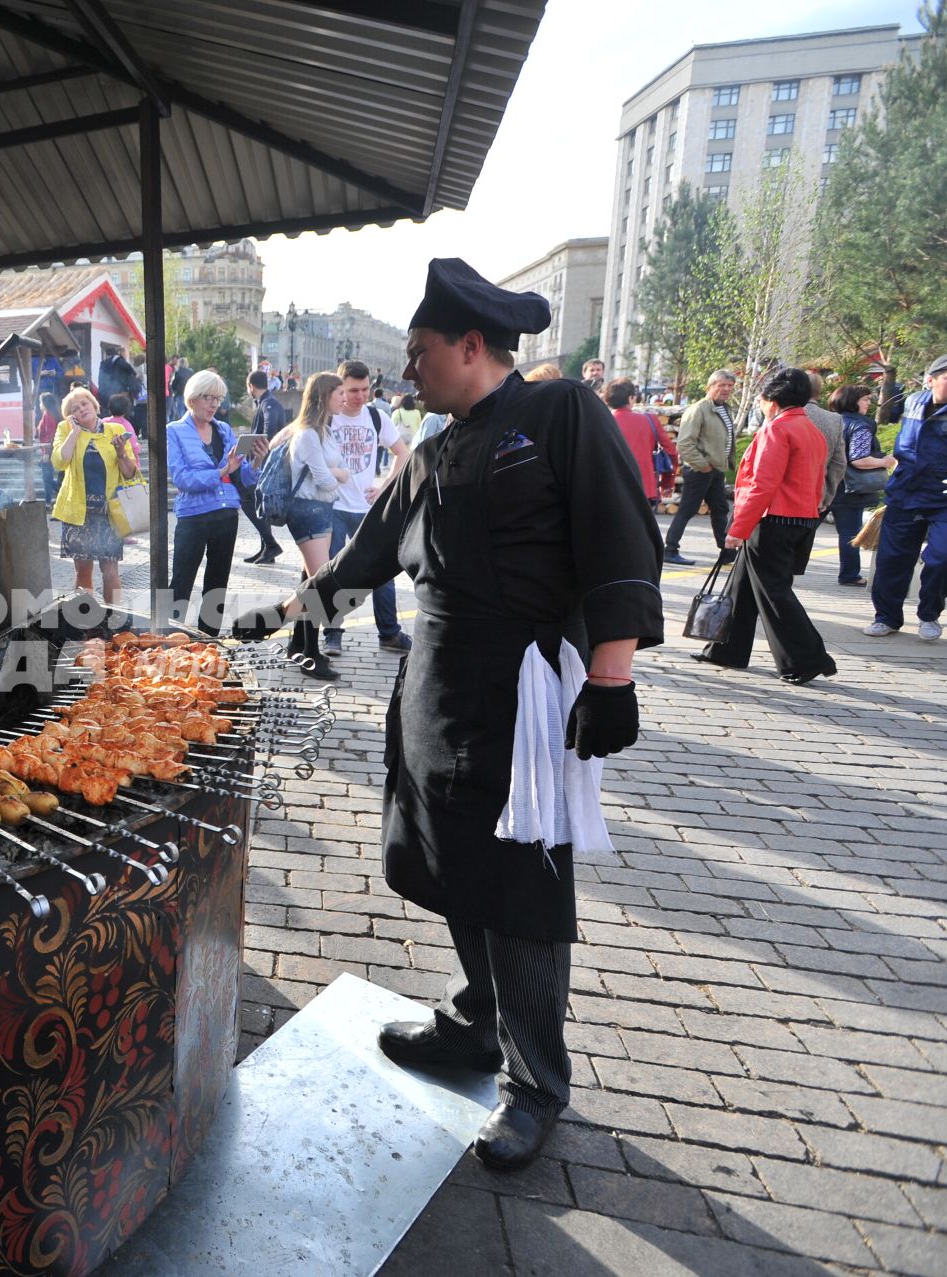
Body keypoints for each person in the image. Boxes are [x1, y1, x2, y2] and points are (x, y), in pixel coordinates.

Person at [237, 258, 661, 1173]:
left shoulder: (559, 415)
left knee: (521, 885)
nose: (408, 371)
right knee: (446, 857)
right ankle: (478, 1021)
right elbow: (360, 562)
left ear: (472, 345)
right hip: (435, 688)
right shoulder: (431, 449)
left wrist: (613, 675)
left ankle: (536, 1081)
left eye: (421, 352)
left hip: (525, 690)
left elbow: (621, 537)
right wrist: (269, 619)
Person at [695, 367, 837, 683]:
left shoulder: (777, 430)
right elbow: (817, 481)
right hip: (800, 518)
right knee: (742, 586)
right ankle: (725, 650)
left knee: (774, 593)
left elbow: (761, 484)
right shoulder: (811, 430)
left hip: (772, 520)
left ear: (771, 400)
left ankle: (809, 658)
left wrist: (737, 530)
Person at [322, 358, 412, 656]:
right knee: (332, 572)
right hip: (333, 508)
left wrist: (385, 486)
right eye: (352, 390)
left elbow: (402, 452)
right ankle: (332, 633)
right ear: (340, 388)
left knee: (382, 572)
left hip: (368, 508)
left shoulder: (376, 418)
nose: (359, 396)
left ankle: (389, 633)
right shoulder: (328, 418)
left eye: (364, 389)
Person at [267, 371, 346, 680]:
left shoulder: (324, 431)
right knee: (320, 584)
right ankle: (309, 654)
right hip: (308, 511)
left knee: (310, 579)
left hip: (321, 510)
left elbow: (335, 473)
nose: (343, 398)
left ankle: (299, 645)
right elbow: (328, 479)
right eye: (338, 392)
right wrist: (339, 475)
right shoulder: (308, 434)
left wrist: (336, 474)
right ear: (323, 396)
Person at [865, 353, 947, 641]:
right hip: (905, 494)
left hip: (944, 498)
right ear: (931, 380)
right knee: (892, 560)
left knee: (942, 557)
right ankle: (886, 617)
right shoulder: (912, 402)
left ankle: (929, 614)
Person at [168, 370, 259, 634]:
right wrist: (221, 471)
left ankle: (208, 641)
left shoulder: (224, 430)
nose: (214, 405)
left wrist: (257, 461)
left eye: (218, 399)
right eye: (208, 398)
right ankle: (169, 639)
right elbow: (183, 479)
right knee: (181, 582)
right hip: (193, 516)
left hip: (226, 514)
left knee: (217, 584)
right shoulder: (174, 431)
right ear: (193, 398)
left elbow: (243, 476)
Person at [51, 387, 139, 605]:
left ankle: (115, 619)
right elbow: (59, 461)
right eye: (74, 409)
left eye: (84, 404)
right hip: (78, 513)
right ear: (70, 416)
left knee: (110, 570)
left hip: (110, 513)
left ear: (94, 405)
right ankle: (85, 622)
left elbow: (130, 473)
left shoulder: (114, 429)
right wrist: (74, 433)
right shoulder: (64, 428)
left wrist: (120, 454)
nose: (81, 409)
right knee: (83, 572)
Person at [662, 369, 739, 566]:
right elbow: (685, 443)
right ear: (710, 387)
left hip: (715, 470)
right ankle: (670, 549)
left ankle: (727, 552)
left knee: (720, 508)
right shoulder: (698, 410)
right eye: (721, 385)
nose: (726, 390)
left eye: (729, 386)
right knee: (687, 509)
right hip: (700, 470)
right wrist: (703, 465)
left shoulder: (725, 408)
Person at [829, 384, 896, 586]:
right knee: (849, 532)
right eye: (865, 399)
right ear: (853, 401)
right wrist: (885, 461)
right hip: (850, 488)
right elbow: (859, 459)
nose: (869, 403)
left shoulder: (832, 421)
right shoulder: (861, 425)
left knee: (808, 527)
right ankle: (849, 575)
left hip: (826, 483)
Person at [239, 369, 289, 563]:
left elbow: (269, 431)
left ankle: (270, 545)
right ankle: (266, 549)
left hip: (266, 464)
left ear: (251, 386)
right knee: (257, 504)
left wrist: (260, 452)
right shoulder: (267, 402)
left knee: (250, 501)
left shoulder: (269, 404)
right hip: (263, 463)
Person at [605, 378, 676, 511]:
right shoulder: (649, 420)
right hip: (643, 486)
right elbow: (671, 452)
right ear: (631, 398)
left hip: (608, 487)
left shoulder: (601, 421)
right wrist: (667, 483)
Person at [796, 369, 850, 515]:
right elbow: (839, 463)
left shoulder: (782, 415)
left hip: (781, 499)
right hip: (816, 493)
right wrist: (827, 495)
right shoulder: (834, 420)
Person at [168, 357, 193, 421]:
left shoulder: (177, 372)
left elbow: (174, 383)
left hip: (180, 393)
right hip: (190, 393)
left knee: (181, 411)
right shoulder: (190, 372)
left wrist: (173, 390)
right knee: (189, 410)